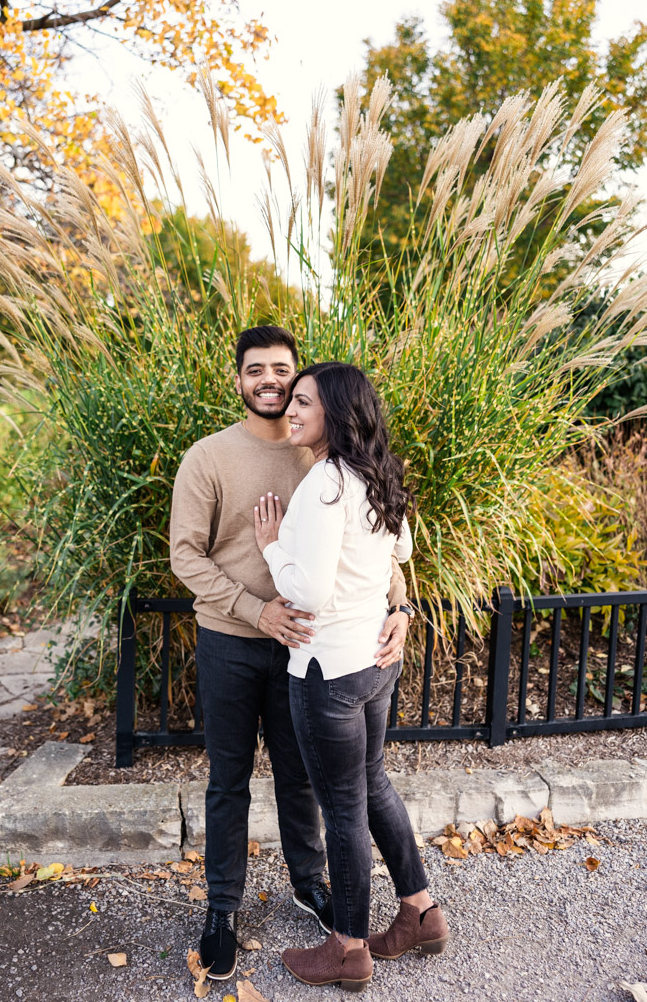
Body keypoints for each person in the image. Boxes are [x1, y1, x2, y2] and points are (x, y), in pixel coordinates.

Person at [169, 327, 413, 981]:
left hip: (308, 653)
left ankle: (311, 887)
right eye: (256, 370)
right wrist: (256, 611)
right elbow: (184, 554)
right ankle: (222, 911)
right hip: (230, 644)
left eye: (282, 369)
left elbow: (380, 546)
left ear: (302, 382)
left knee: (302, 781)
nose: (270, 380)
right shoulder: (209, 457)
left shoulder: (324, 454)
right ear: (239, 379)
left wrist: (401, 606)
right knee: (228, 784)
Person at [254, 361, 449, 993]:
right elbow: (403, 553)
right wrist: (396, 608)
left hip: (327, 669)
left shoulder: (325, 484)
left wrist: (270, 545)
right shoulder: (378, 475)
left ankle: (347, 949)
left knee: (342, 808)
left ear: (336, 414)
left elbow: (305, 589)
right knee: (372, 784)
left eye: (305, 402)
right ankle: (420, 910)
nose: (292, 411)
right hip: (373, 664)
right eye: (293, 401)